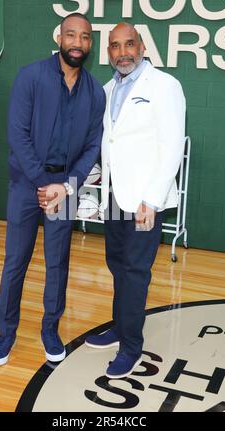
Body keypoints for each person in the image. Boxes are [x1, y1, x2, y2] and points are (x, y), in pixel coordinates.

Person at [0, 13, 105, 366]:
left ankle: (50, 331)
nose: (77, 43)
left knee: (58, 264)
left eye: (84, 37)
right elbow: (18, 136)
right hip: (27, 184)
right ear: (59, 38)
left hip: (65, 190)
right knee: (15, 262)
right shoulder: (30, 77)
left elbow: (92, 147)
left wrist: (66, 187)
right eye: (71, 35)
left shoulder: (96, 92)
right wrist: (43, 184)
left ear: (90, 44)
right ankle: (5, 334)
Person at [85, 23, 186, 378]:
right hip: (114, 195)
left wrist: (152, 199)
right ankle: (120, 326)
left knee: (135, 271)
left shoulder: (165, 86)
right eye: (115, 46)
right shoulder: (109, 88)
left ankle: (131, 346)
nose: (122, 52)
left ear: (142, 47)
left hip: (144, 200)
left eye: (129, 44)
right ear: (108, 52)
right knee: (116, 263)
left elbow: (172, 146)